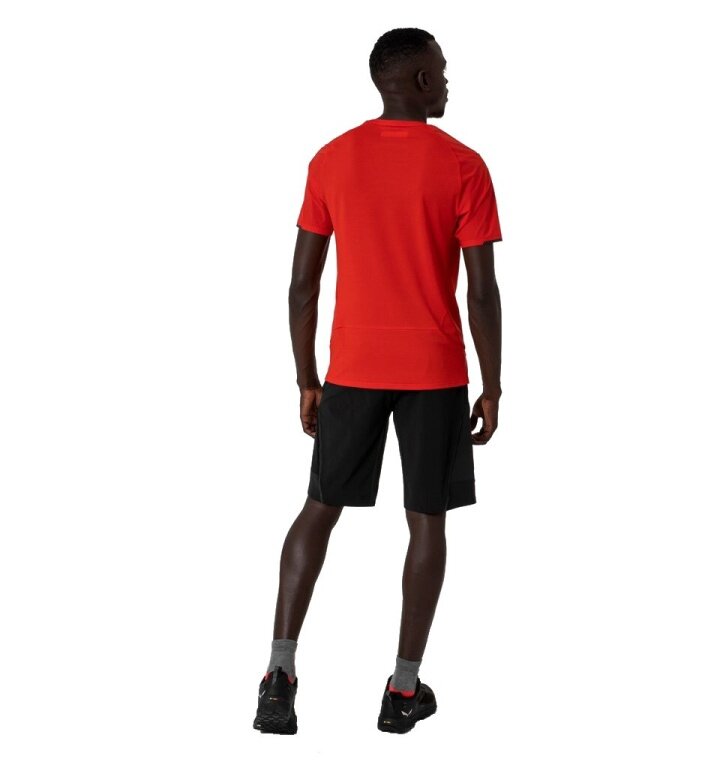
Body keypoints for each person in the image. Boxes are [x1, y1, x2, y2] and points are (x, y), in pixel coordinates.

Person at [253, 27, 503, 735]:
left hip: (353, 371)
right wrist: (493, 386)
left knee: (318, 510)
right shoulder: (463, 166)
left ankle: (278, 677)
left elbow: (302, 286)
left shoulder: (332, 159)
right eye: (442, 71)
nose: (448, 82)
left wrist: (307, 379)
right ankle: (402, 691)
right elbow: (482, 292)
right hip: (434, 374)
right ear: (420, 80)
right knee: (426, 522)